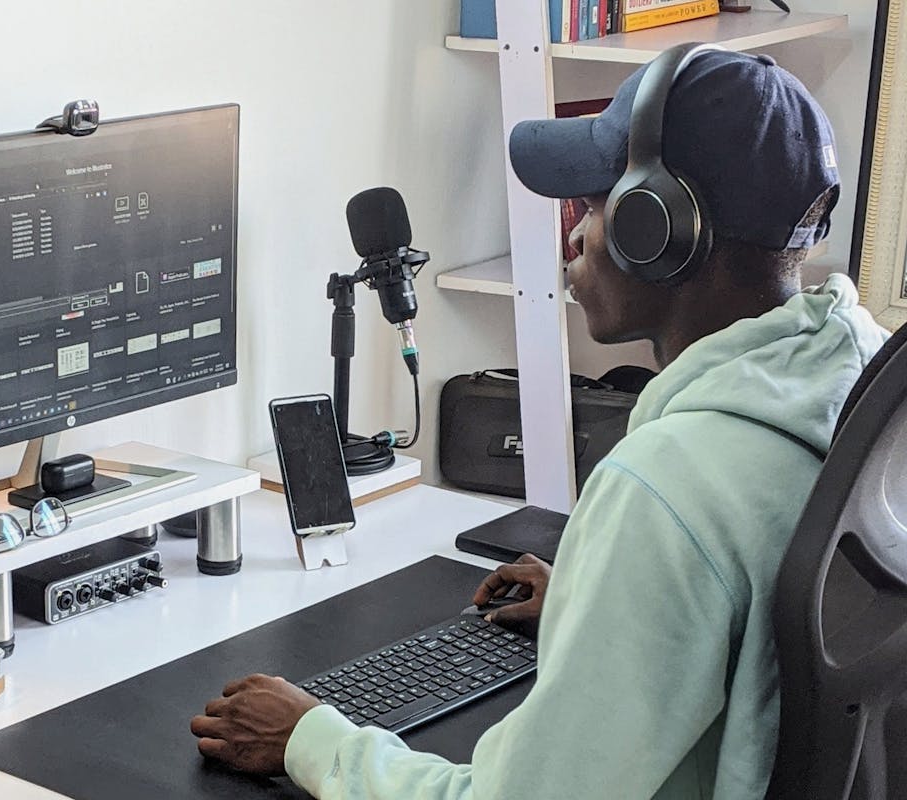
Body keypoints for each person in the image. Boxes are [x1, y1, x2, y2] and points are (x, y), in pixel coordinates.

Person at [191, 45, 889, 798]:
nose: (574, 237)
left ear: (660, 228)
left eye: (594, 206)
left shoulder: (668, 488)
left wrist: (314, 739)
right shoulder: (863, 379)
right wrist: (603, 609)